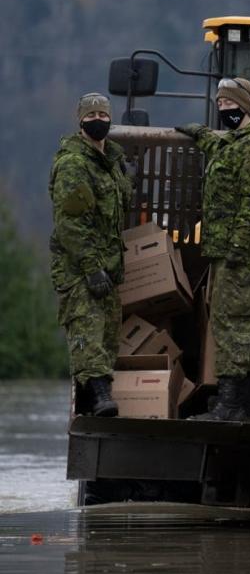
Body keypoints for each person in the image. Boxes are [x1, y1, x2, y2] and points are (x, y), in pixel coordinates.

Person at [176, 77, 250, 421]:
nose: (224, 110)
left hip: (237, 251)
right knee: (238, 324)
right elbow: (220, 150)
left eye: (230, 104)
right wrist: (201, 134)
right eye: (220, 105)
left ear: (246, 107)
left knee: (230, 322)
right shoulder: (235, 144)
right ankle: (249, 400)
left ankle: (230, 404)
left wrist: (238, 246)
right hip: (224, 249)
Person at [49, 93, 131, 417]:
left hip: (108, 266)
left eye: (103, 113)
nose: (98, 119)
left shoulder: (110, 161)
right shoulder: (73, 164)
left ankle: (89, 407)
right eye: (91, 114)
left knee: (108, 335)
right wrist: (90, 266)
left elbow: (116, 208)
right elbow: (70, 223)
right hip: (80, 268)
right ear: (80, 121)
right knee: (87, 331)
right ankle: (98, 397)